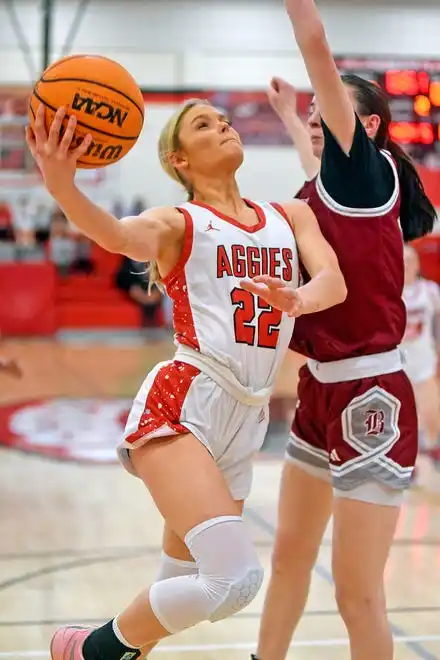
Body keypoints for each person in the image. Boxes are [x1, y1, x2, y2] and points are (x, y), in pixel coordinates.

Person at [26, 96, 346, 660]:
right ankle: (86, 650)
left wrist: (298, 296)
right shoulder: (180, 223)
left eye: (223, 119)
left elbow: (333, 283)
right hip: (184, 403)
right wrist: (63, 189)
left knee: (180, 580)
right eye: (204, 124)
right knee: (232, 582)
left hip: (245, 416)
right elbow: (118, 236)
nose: (223, 125)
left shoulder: (289, 216)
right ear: (178, 159)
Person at [250, 2, 437, 660]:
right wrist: (286, 116)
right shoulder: (332, 185)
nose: (316, 125)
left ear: (370, 127)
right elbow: (312, 174)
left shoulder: (362, 171)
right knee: (288, 560)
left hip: (370, 395)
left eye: (325, 116)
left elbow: (316, 43)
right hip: (320, 392)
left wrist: (299, 13)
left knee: (357, 594)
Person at [401, 244, 440, 460]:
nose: (406, 264)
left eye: (410, 260)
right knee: (405, 413)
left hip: (425, 360)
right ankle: (408, 457)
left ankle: (433, 445)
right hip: (398, 362)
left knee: (431, 409)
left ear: (417, 264)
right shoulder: (390, 291)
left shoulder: (430, 290)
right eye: (403, 260)